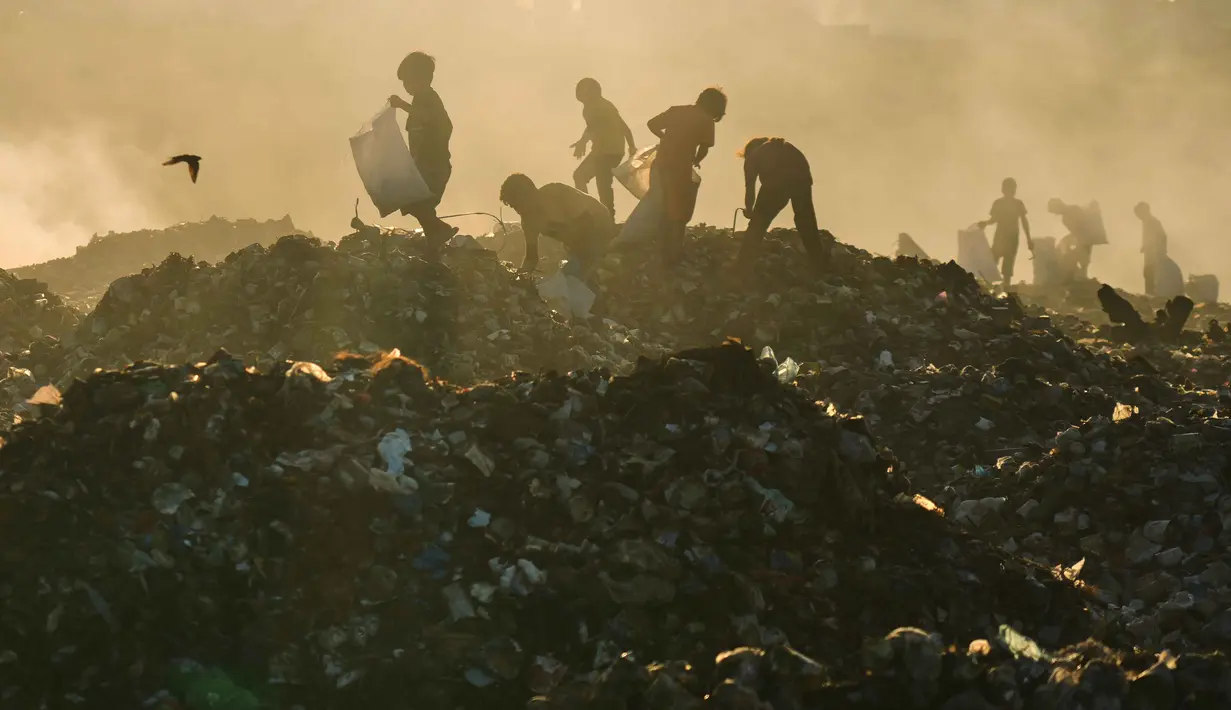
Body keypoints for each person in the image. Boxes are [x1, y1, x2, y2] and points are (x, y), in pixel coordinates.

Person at [647, 87, 727, 266]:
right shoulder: (706, 121)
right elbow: (704, 149)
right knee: (679, 211)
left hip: (661, 164)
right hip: (680, 168)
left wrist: (665, 138)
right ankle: (673, 254)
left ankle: (660, 248)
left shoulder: (676, 111)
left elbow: (651, 124)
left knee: (663, 205)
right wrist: (696, 160)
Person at [388, 51, 458, 246]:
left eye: (408, 81)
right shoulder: (420, 100)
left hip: (434, 166)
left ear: (423, 78)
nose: (406, 87)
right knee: (416, 204)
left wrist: (402, 105)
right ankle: (436, 239)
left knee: (416, 202)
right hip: (423, 166)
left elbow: (430, 118)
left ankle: (439, 233)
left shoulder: (429, 98)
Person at [736, 137, 827, 268]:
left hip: (776, 181)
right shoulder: (786, 147)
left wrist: (750, 210)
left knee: (758, 223)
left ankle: (743, 263)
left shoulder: (753, 156)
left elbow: (750, 188)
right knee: (806, 221)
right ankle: (818, 261)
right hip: (801, 176)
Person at [499, 173, 614, 276]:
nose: (517, 210)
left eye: (517, 205)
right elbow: (531, 258)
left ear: (527, 195)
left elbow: (586, 223)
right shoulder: (528, 222)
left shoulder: (558, 193)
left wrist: (582, 258)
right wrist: (519, 277)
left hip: (600, 227)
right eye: (514, 207)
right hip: (579, 243)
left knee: (575, 275)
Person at [571, 78, 636, 217]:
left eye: (581, 90)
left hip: (606, 152)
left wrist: (583, 142)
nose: (578, 93)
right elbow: (593, 127)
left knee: (597, 182)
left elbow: (599, 126)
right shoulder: (597, 106)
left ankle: (595, 216)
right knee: (591, 179)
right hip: (609, 151)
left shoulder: (598, 106)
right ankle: (594, 214)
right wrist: (631, 146)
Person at [978, 178, 1032, 289]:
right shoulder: (1005, 203)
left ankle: (999, 288)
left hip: (1007, 237)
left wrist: (1029, 239)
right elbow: (995, 219)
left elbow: (1023, 221)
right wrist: (986, 223)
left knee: (1002, 263)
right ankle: (992, 287)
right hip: (1005, 237)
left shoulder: (1013, 203)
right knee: (996, 261)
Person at [1048, 198, 1098, 279]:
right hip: (1080, 238)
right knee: (1071, 253)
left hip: (1085, 238)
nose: (1056, 214)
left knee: (1083, 259)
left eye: (1055, 211)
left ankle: (1082, 276)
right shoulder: (1065, 218)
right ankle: (1078, 275)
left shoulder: (1073, 210)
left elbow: (1084, 226)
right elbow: (1075, 232)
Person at [1135, 202, 1168, 296]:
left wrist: (1162, 250)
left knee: (1151, 276)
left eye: (1139, 213)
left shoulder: (1153, 222)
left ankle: (1151, 297)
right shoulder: (1147, 222)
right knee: (1148, 275)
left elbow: (1162, 236)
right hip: (1150, 255)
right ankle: (1150, 296)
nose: (1138, 216)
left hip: (1155, 256)